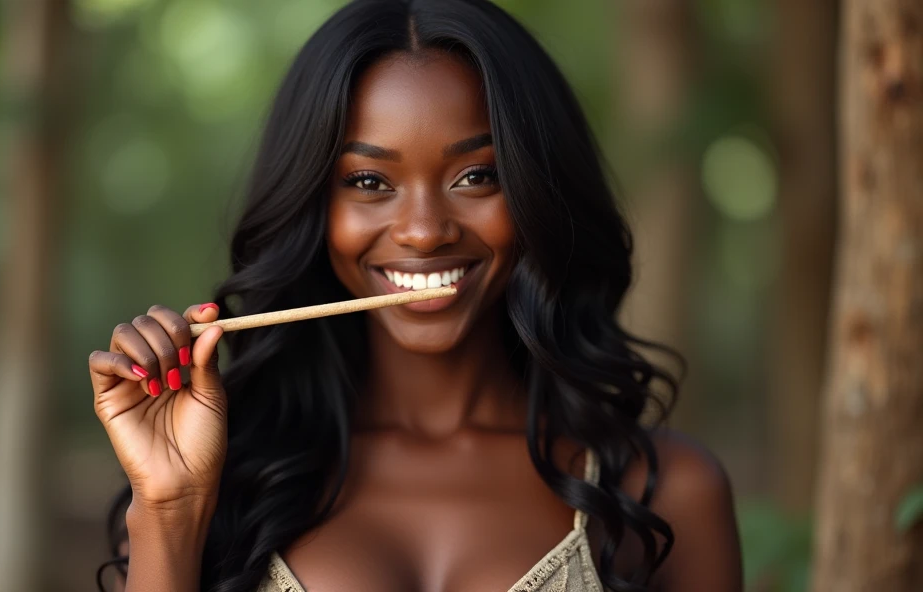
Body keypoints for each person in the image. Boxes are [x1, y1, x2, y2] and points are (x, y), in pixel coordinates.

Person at [87, 0, 742, 590]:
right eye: (370, 182)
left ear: (539, 192)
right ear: (312, 205)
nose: (425, 232)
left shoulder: (668, 494)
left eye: (476, 175)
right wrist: (172, 509)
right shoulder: (216, 483)